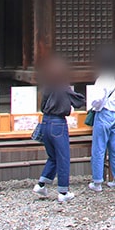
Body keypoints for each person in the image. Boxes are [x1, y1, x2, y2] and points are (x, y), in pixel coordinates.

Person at [33, 55, 85, 202]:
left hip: (46, 122)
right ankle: (63, 192)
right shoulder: (64, 88)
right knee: (63, 158)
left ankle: (41, 184)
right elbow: (80, 101)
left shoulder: (47, 87)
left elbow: (42, 106)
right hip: (58, 124)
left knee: (53, 156)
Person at [88, 45, 115, 193]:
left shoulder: (103, 78)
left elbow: (98, 99)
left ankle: (97, 181)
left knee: (99, 148)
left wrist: (93, 107)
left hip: (104, 113)